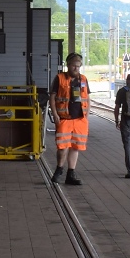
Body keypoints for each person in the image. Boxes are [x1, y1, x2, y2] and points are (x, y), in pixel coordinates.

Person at [50, 52, 90, 185]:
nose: (76, 68)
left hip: (79, 119)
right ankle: (59, 169)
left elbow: (87, 97)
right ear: (68, 65)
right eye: (74, 66)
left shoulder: (83, 79)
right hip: (64, 118)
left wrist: (87, 115)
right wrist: (55, 114)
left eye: (78, 66)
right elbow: (52, 97)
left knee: (75, 146)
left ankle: (71, 173)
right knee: (62, 146)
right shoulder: (59, 78)